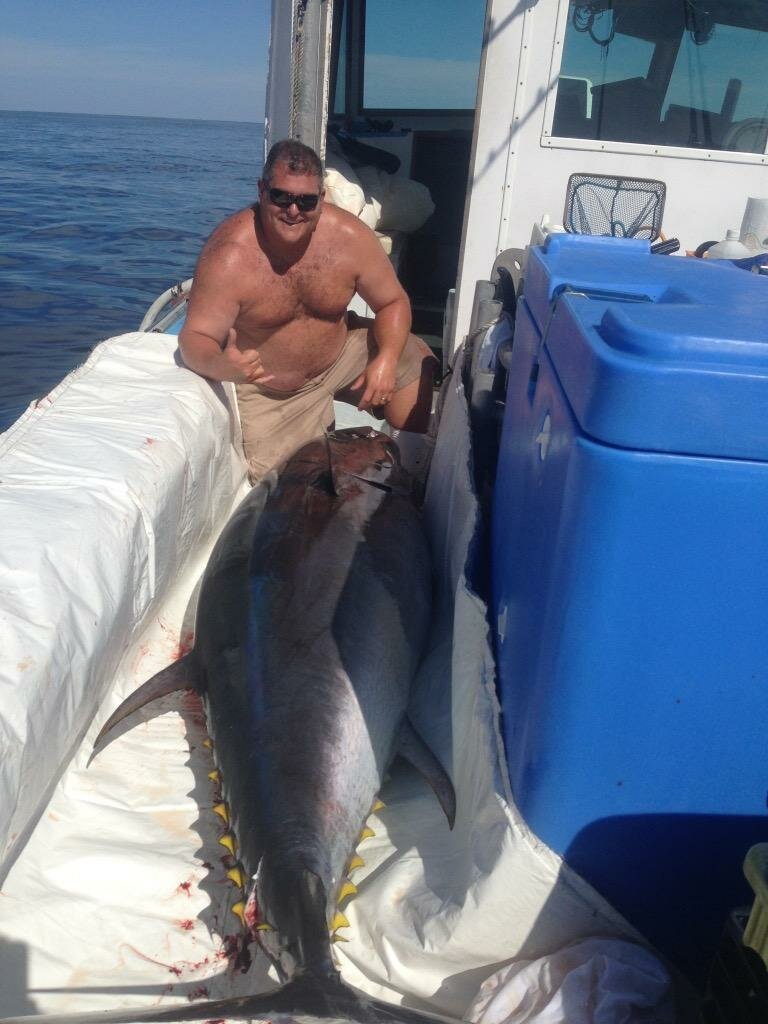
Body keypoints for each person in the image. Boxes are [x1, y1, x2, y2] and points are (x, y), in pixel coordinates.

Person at [179, 138, 438, 483]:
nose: (293, 210)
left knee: (414, 357)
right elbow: (195, 337)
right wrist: (220, 365)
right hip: (273, 391)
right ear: (262, 191)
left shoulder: (350, 238)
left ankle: (412, 469)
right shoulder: (230, 256)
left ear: (321, 198)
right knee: (290, 488)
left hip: (340, 357)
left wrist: (387, 360)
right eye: (281, 197)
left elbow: (393, 302)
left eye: (306, 201)